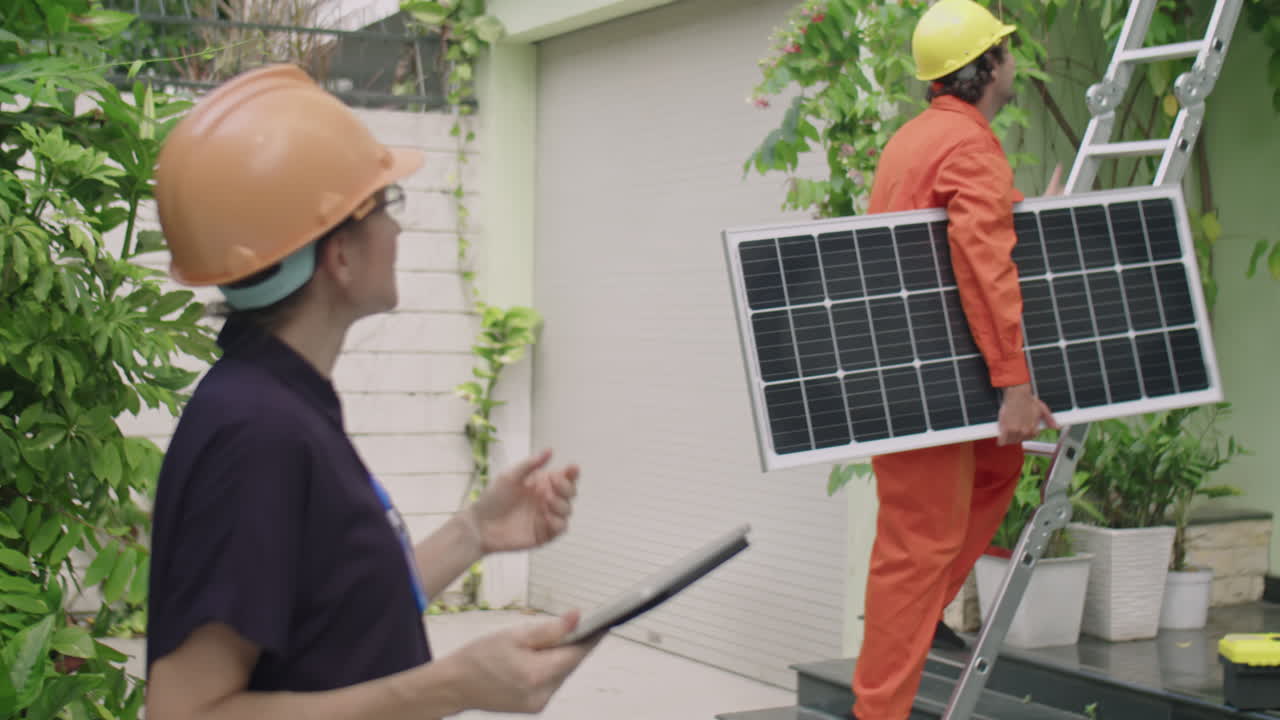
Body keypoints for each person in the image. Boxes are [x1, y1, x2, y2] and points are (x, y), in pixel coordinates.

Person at [144, 64, 597, 719]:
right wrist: (453, 686)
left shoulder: (279, 401)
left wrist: (474, 531)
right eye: (386, 204)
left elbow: (333, 619)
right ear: (340, 256)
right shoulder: (258, 434)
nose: (399, 228)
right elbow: (185, 713)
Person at [850, 1, 1062, 718]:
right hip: (932, 390)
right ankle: (880, 706)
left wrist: (1034, 216)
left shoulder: (919, 139)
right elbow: (980, 264)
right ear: (988, 69)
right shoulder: (968, 147)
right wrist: (1014, 386)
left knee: (999, 471)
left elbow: (967, 227)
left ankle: (907, 620)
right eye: (1005, 52)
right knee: (915, 551)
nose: (1011, 63)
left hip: (928, 373)